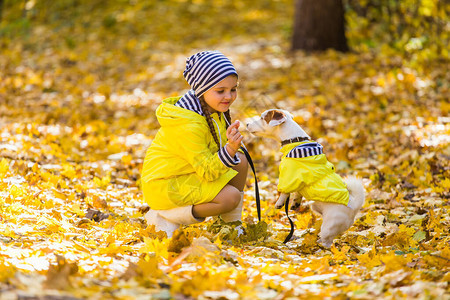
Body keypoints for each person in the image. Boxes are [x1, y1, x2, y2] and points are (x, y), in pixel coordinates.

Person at [141, 51, 248, 237]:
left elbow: (214, 154)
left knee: (241, 161)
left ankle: (231, 226)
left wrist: (232, 146)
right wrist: (230, 149)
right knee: (230, 197)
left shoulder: (212, 109)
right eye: (220, 90)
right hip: (165, 184)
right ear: (202, 89)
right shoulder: (189, 124)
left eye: (233, 89)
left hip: (188, 173)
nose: (229, 96)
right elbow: (207, 170)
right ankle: (168, 215)